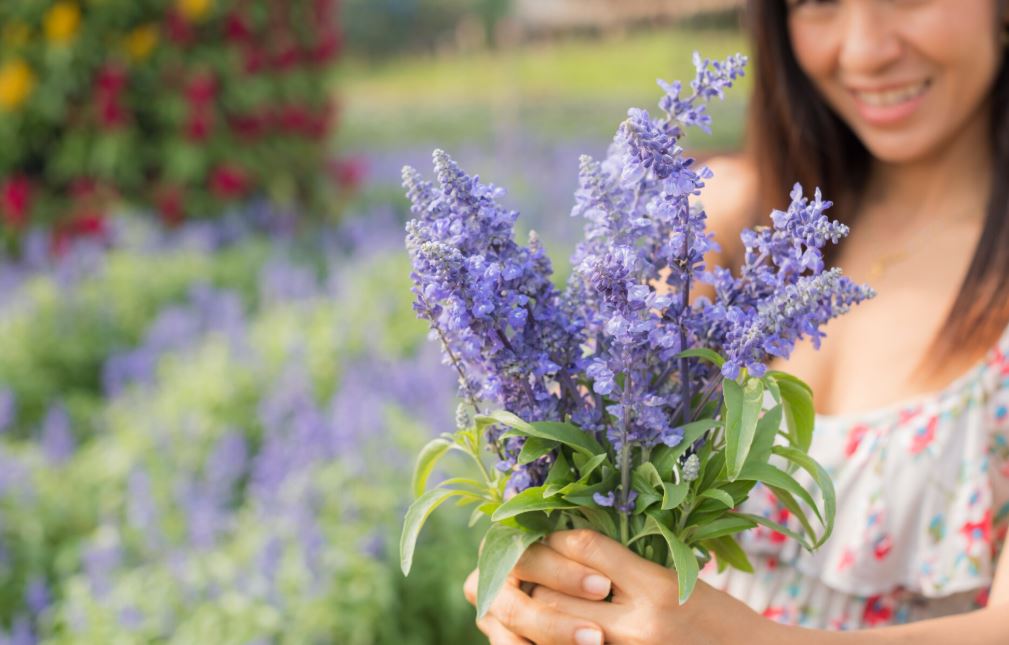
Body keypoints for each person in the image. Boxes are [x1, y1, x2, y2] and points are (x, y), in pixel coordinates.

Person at [462, 0, 1009, 642]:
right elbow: (593, 451)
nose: (864, 50)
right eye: (818, 2)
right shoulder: (719, 217)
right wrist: (541, 585)